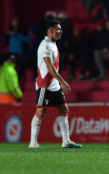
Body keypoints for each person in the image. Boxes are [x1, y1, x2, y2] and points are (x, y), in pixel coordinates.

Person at [29, 19, 82, 149]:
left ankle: (66, 141)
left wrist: (58, 83)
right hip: (45, 84)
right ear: (51, 31)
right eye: (58, 29)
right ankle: (33, 143)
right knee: (40, 111)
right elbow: (49, 65)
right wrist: (62, 81)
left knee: (64, 110)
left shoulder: (52, 44)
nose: (61, 31)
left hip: (54, 85)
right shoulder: (45, 45)